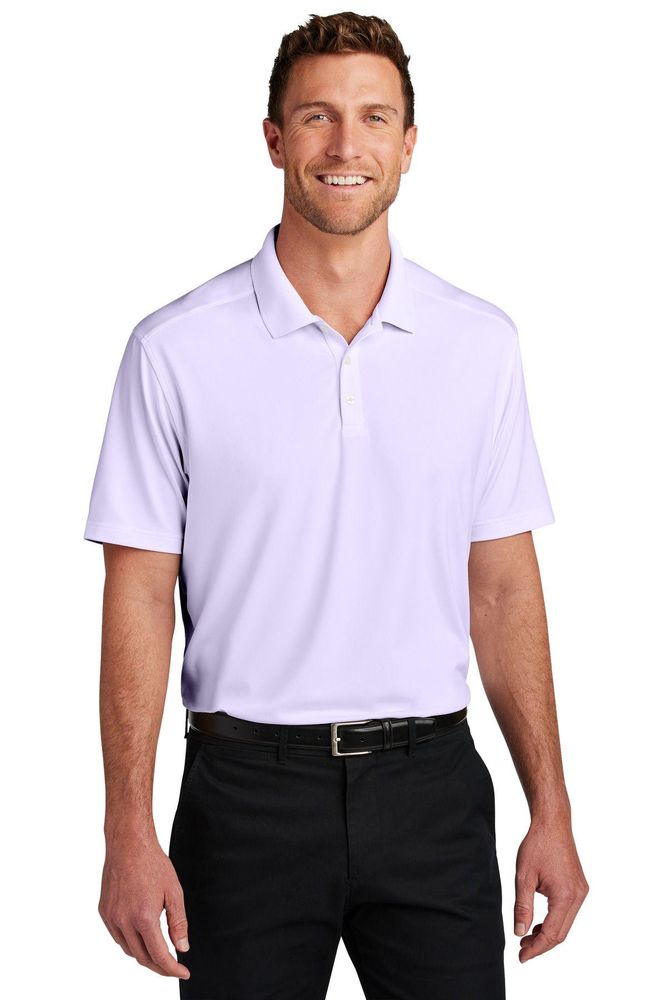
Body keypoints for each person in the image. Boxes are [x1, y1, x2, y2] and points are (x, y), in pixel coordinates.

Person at [84, 11, 588, 999]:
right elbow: (138, 596)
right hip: (243, 799)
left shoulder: (479, 344)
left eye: (373, 117)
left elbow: (500, 589)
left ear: (409, 143)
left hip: (433, 788)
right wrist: (126, 829)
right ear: (275, 139)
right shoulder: (174, 349)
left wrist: (553, 808)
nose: (345, 145)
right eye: (317, 116)